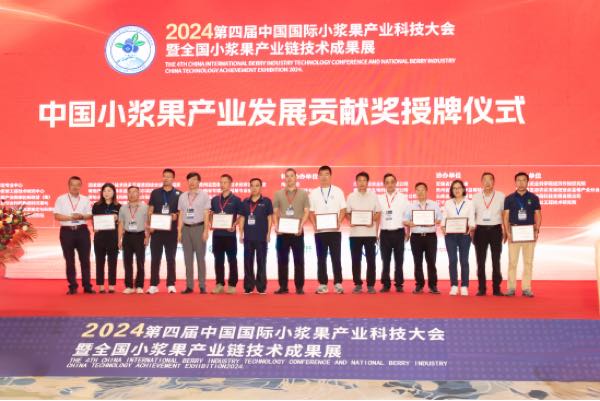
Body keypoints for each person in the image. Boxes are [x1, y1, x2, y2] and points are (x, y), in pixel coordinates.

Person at [503, 172, 542, 297]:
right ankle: (511, 288)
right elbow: (506, 216)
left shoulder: (534, 198)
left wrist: (537, 230)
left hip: (529, 233)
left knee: (528, 262)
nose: (521, 183)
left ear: (527, 182)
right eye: (518, 180)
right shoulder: (509, 198)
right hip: (514, 233)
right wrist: (507, 232)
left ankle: (526, 288)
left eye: (523, 180)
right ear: (515, 182)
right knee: (512, 262)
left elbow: (538, 215)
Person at [309, 166, 346, 294]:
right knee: (321, 258)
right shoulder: (313, 193)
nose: (324, 177)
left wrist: (339, 222)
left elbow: (343, 209)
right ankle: (323, 284)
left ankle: (338, 283)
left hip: (335, 231)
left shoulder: (338, 191)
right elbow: (311, 211)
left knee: (336, 257)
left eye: (326, 174)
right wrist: (314, 224)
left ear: (330, 176)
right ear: (318, 176)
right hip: (320, 232)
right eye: (321, 174)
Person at [53, 176, 94, 295]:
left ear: (81, 186)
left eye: (78, 185)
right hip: (67, 232)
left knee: (85, 260)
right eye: (73, 184)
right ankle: (72, 286)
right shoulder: (61, 199)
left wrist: (81, 216)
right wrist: (71, 217)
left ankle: (87, 286)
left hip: (82, 231)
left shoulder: (85, 199)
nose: (75, 187)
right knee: (69, 260)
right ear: (69, 186)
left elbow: (90, 215)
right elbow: (57, 216)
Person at [273, 168, 309, 295]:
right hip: (282, 233)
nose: (289, 178)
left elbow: (306, 212)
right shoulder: (278, 194)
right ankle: (283, 287)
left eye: (291, 176)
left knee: (299, 260)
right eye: (287, 176)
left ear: (296, 177)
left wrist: (301, 226)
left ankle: (299, 287)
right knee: (282, 260)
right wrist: (276, 226)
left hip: (297, 232)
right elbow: (275, 212)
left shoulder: (303, 194)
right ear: (284, 178)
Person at [403, 182, 443, 294]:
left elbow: (440, 219)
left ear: (426, 191)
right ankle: (419, 285)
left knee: (431, 262)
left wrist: (433, 221)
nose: (420, 192)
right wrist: (410, 223)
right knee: (417, 262)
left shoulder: (434, 205)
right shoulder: (410, 206)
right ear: (415, 192)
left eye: (422, 190)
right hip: (416, 237)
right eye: (418, 190)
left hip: (430, 237)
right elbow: (405, 221)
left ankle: (433, 286)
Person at [346, 171, 381, 294]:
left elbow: (378, 213)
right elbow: (347, 213)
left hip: (370, 234)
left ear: (367, 182)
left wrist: (372, 220)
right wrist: (351, 220)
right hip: (355, 234)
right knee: (356, 260)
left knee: (371, 260)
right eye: (359, 180)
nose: (362, 183)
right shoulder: (351, 196)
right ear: (356, 182)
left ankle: (370, 285)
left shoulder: (373, 196)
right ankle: (358, 284)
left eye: (364, 180)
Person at [472, 172, 506, 296]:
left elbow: (504, 214)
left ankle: (496, 288)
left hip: (496, 230)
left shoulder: (501, 196)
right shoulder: (475, 197)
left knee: (496, 260)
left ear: (493, 182)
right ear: (481, 182)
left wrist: (506, 230)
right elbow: (472, 215)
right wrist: (472, 231)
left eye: (490, 180)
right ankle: (481, 288)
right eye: (485, 180)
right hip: (480, 231)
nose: (487, 182)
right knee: (480, 261)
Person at [147, 168, 181, 294]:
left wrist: (176, 215)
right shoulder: (155, 193)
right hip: (156, 231)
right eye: (164, 176)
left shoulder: (179, 194)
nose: (166, 178)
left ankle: (171, 284)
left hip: (171, 231)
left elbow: (181, 212)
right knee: (155, 258)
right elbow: (150, 210)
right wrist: (150, 225)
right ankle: (153, 284)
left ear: (173, 179)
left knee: (171, 258)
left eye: (169, 176)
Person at [208, 174, 242, 294]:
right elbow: (210, 214)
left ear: (230, 184)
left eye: (225, 182)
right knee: (218, 260)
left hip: (230, 235)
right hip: (217, 235)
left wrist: (234, 225)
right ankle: (219, 284)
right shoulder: (214, 200)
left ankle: (232, 285)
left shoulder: (236, 200)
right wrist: (211, 222)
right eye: (221, 182)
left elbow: (241, 216)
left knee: (232, 260)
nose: (222, 185)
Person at [177, 172, 211, 294]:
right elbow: (181, 214)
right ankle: (189, 286)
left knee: (200, 259)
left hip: (199, 228)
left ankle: (202, 285)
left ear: (199, 181)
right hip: (186, 229)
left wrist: (206, 230)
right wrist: (179, 231)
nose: (191, 182)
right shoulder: (182, 196)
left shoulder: (204, 195)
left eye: (194, 179)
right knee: (188, 259)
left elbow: (206, 214)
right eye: (189, 180)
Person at [238, 178, 273, 294]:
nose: (254, 188)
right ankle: (248, 286)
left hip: (261, 237)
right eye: (252, 185)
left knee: (261, 262)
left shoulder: (266, 202)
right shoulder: (245, 202)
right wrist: (241, 233)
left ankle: (261, 287)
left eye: (257, 185)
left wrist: (268, 233)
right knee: (248, 262)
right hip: (248, 237)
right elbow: (242, 218)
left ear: (261, 187)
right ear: (250, 187)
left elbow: (269, 218)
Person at [442, 180, 475, 296]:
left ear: (463, 189)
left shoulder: (469, 203)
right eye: (454, 188)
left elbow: (472, 218)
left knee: (464, 260)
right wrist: (443, 227)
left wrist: (471, 227)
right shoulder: (448, 203)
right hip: (450, 235)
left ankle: (464, 286)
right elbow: (444, 217)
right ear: (452, 190)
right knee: (452, 260)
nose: (457, 190)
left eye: (459, 188)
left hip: (464, 235)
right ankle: (454, 285)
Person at [377, 173, 410, 293]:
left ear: (396, 183)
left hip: (399, 232)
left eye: (392, 182)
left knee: (399, 260)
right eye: (387, 182)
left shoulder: (403, 197)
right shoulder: (379, 198)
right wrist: (376, 233)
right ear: (384, 184)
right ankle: (386, 284)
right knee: (385, 260)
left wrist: (408, 232)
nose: (390, 184)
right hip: (384, 233)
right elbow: (377, 217)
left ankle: (399, 284)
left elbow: (407, 215)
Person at [117, 186, 149, 294]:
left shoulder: (145, 207)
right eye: (129, 192)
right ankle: (129, 286)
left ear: (139, 194)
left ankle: (139, 285)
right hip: (127, 236)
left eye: (134, 192)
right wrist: (119, 239)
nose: (132, 194)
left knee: (140, 262)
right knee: (127, 262)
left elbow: (148, 223)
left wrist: (147, 237)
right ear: (127, 194)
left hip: (140, 236)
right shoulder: (123, 208)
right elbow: (121, 224)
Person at [91, 183, 120, 293]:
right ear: (102, 193)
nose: (106, 193)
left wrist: (117, 218)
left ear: (114, 192)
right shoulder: (96, 205)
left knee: (113, 262)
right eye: (104, 191)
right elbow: (94, 220)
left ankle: (112, 285)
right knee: (99, 262)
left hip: (113, 237)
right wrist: (95, 227)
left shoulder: (119, 206)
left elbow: (121, 223)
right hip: (99, 237)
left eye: (109, 190)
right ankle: (101, 286)